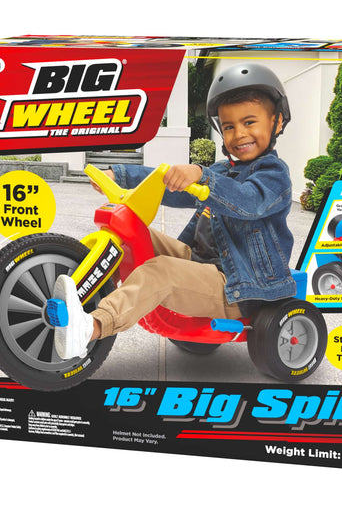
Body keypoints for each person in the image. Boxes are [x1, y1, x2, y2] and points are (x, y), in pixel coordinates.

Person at [53, 63, 296, 360]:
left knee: (161, 272)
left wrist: (203, 177)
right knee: (132, 234)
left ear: (277, 121)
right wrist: (122, 175)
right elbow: (167, 185)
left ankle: (90, 328)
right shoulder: (223, 170)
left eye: (249, 122)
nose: (239, 134)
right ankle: (86, 293)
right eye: (229, 127)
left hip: (241, 286)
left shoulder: (273, 175)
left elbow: (248, 201)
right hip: (202, 263)